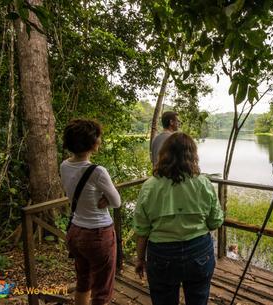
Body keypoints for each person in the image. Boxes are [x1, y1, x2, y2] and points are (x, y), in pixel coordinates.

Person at [133, 132, 224, 305]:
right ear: (192, 155)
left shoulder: (150, 186)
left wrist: (139, 259)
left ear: (164, 154)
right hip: (198, 250)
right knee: (198, 299)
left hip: (161, 253)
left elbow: (142, 229)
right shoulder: (203, 183)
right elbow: (215, 222)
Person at [61, 119, 121, 305]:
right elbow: (117, 202)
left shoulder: (64, 165)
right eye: (98, 137)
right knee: (102, 291)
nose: (100, 140)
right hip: (98, 234)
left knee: (83, 281)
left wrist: (103, 198)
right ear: (92, 143)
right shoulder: (98, 171)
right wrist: (106, 199)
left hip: (76, 231)